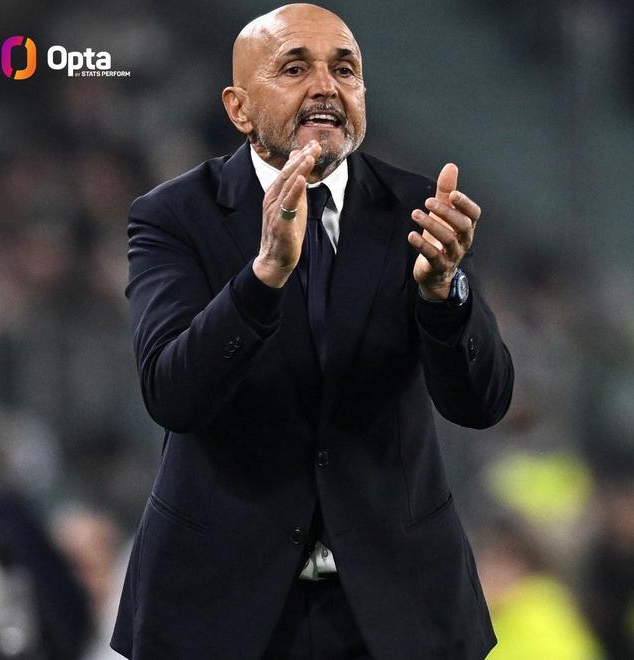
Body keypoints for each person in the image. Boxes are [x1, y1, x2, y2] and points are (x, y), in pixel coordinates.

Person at [111, 4, 514, 659]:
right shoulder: (175, 216)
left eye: (344, 70)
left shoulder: (419, 210)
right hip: (220, 609)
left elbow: (482, 404)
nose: (326, 86)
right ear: (239, 108)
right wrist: (262, 277)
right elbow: (172, 393)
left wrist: (445, 295)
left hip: (397, 607)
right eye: (295, 68)